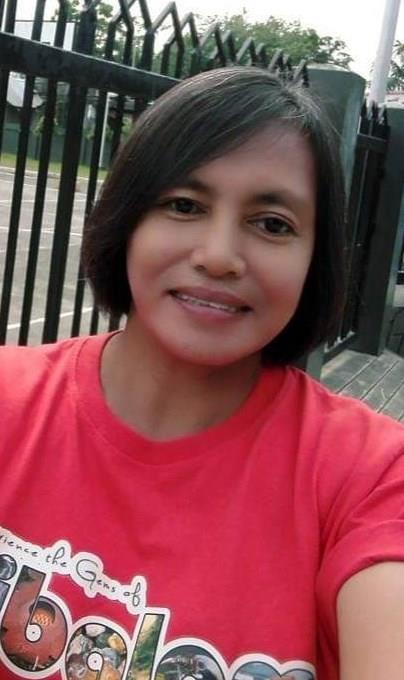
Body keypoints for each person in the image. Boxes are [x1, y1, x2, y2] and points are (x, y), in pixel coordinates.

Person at [0, 66, 403, 680]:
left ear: (315, 258)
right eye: (184, 205)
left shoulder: (370, 476)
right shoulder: (9, 401)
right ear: (126, 220)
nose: (218, 257)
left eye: (272, 224)